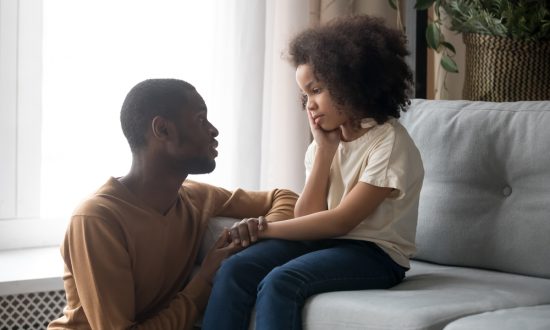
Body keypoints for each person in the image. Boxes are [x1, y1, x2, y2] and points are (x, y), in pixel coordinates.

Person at [201, 15, 424, 330]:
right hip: (327, 242)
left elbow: (341, 220)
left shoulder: (389, 143)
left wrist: (263, 229)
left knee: (282, 281)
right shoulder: (324, 145)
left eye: (316, 90)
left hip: (376, 255)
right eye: (305, 96)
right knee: (236, 267)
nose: (309, 105)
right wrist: (324, 151)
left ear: (350, 82)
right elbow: (307, 215)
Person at [47, 79, 298, 330]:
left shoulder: (195, 197)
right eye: (201, 119)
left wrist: (259, 230)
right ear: (163, 129)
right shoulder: (97, 219)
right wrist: (204, 281)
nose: (214, 130)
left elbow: (285, 197)